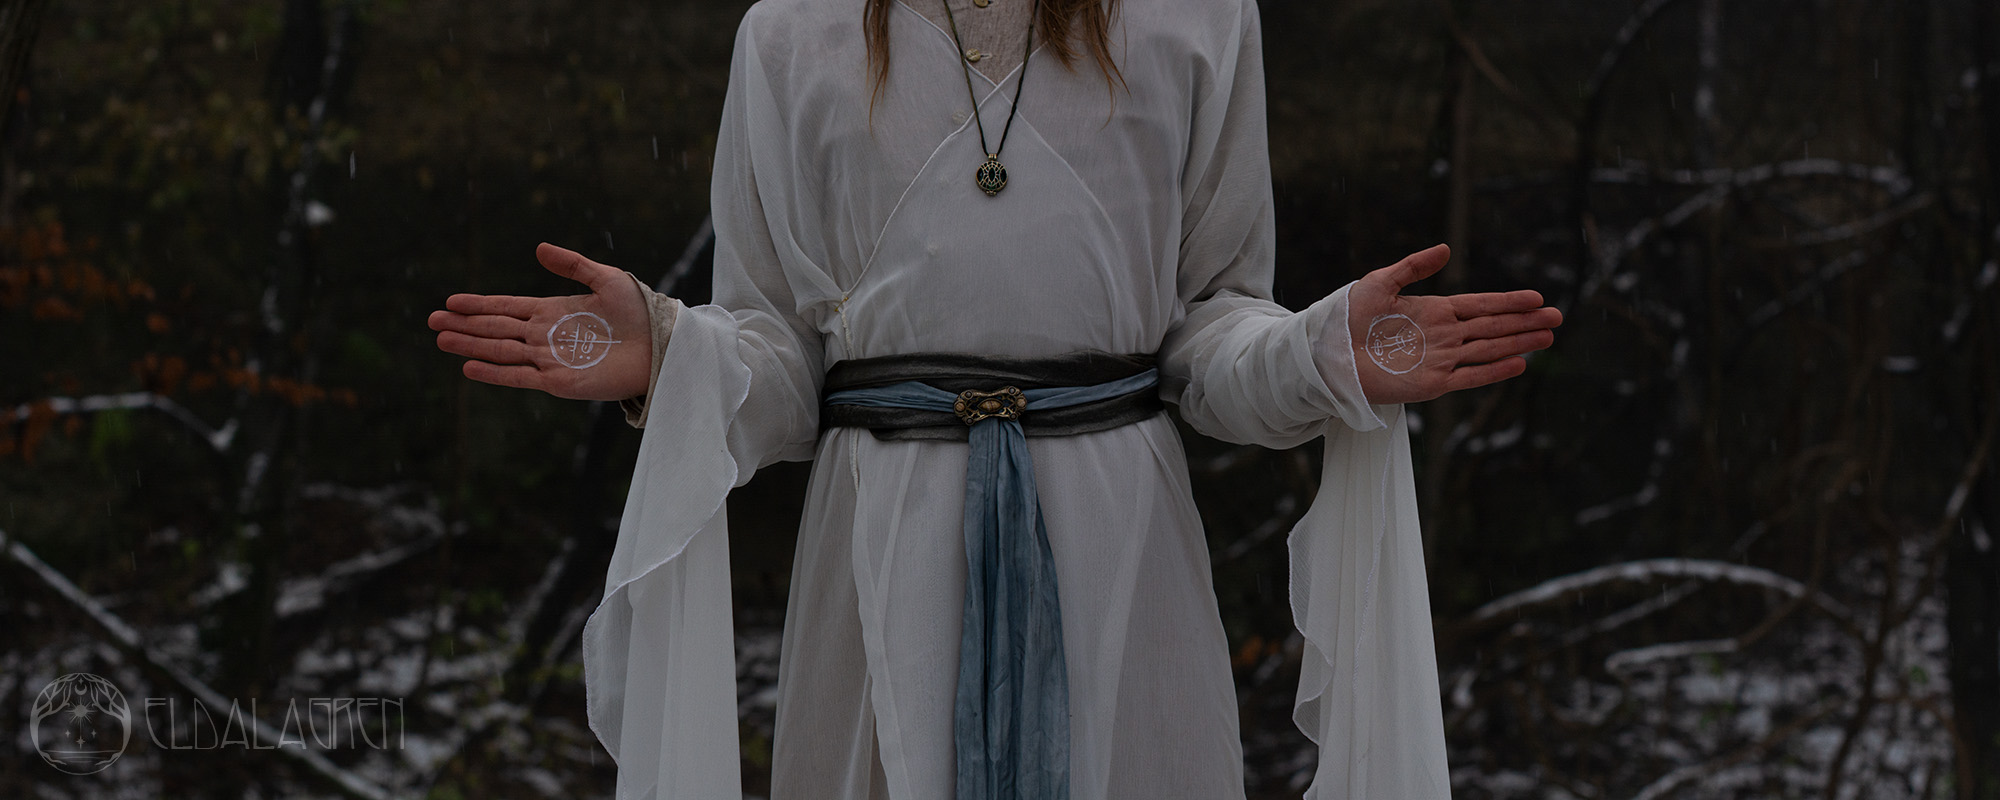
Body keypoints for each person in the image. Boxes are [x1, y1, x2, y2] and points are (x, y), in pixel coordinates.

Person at [428, 0, 1561, 797]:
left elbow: (1210, 338)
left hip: (1117, 544)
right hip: (877, 539)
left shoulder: (1196, 20)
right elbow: (783, 364)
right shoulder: (790, 33)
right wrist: (676, 355)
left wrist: (1317, 355)